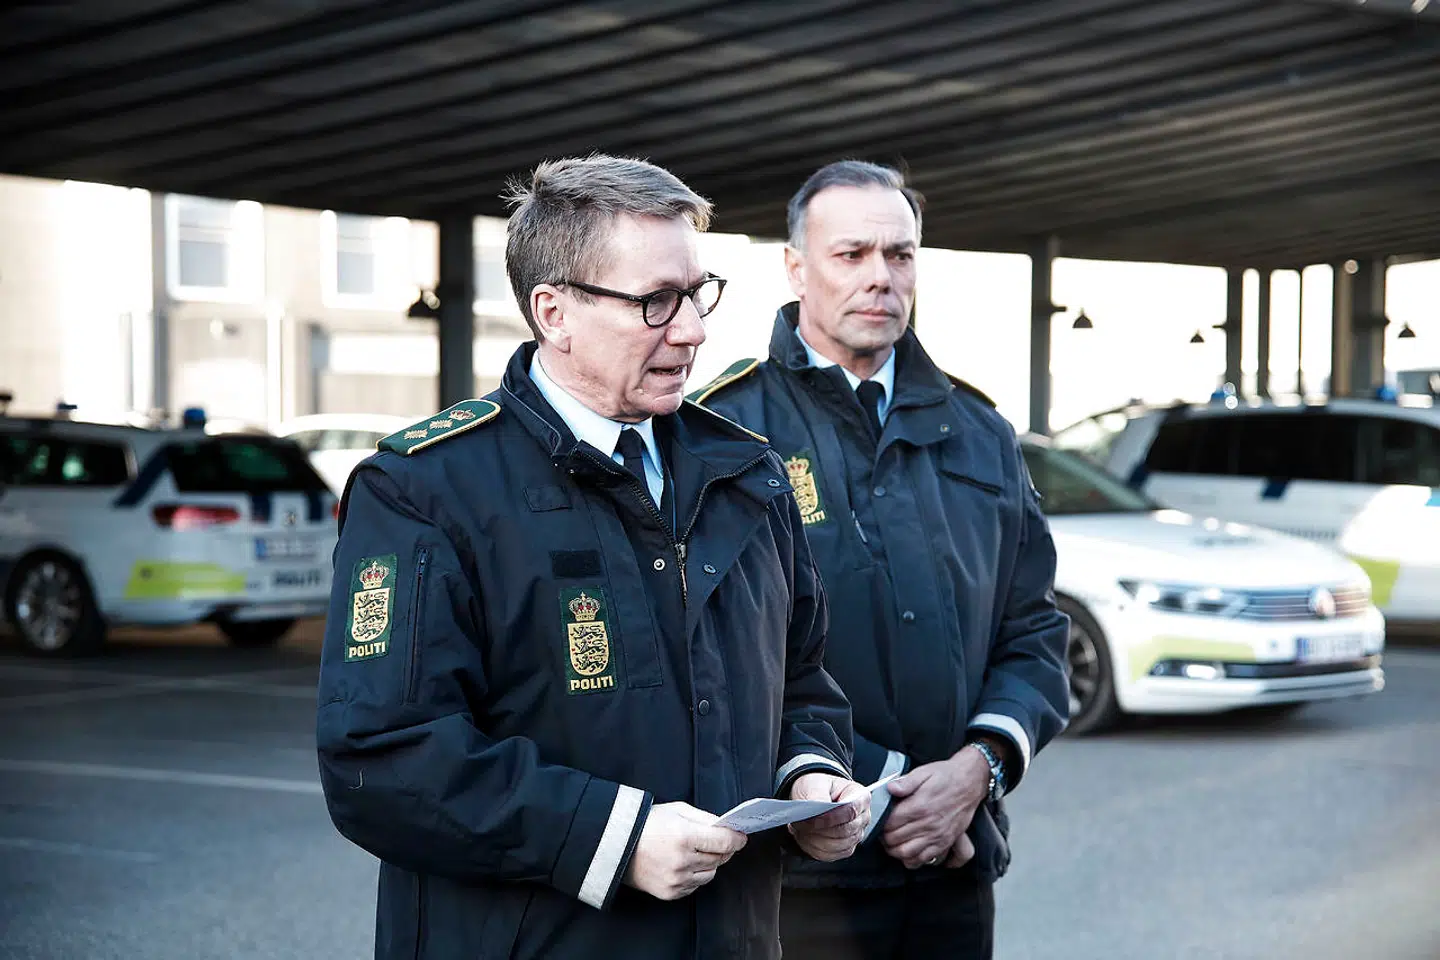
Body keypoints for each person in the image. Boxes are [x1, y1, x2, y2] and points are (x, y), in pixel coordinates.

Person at [315, 155, 870, 960]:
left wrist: (809, 776)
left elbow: (803, 679)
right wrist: (613, 838)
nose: (693, 329)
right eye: (655, 302)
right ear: (554, 312)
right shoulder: (425, 492)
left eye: (698, 293)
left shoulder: (748, 475)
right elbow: (382, 760)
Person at [691, 160, 1069, 959]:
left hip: (953, 859)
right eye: (851, 254)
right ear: (796, 268)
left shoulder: (979, 431)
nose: (880, 277)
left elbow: (1034, 631)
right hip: (799, 880)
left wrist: (977, 769)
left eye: (899, 255)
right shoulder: (720, 434)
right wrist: (898, 787)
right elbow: (713, 664)